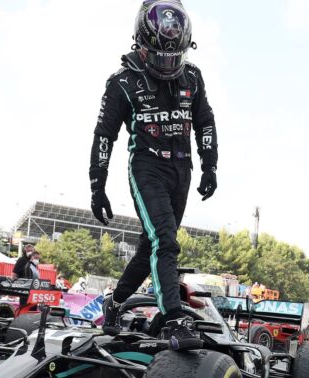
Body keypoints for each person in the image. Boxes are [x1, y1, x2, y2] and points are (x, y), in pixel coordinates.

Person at [92, 0, 217, 351]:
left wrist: (210, 164)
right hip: (146, 168)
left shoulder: (193, 76)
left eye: (173, 56)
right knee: (166, 240)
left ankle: (114, 303)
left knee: (151, 247)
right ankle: (174, 320)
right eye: (160, 56)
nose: (167, 64)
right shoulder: (121, 82)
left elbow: (205, 121)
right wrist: (97, 185)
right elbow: (104, 134)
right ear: (141, 43)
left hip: (183, 168)